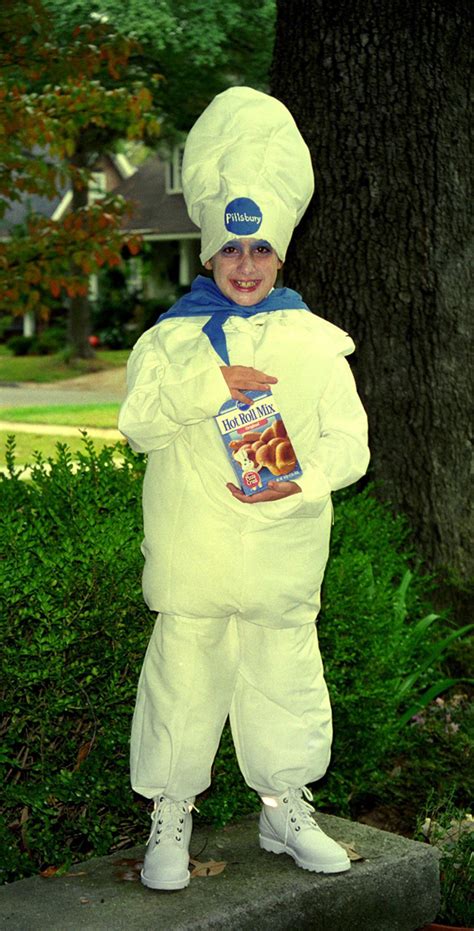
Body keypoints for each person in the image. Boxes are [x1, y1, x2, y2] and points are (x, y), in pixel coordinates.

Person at [118, 87, 370, 892]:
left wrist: (297, 490)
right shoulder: (168, 342)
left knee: (285, 681)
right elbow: (139, 424)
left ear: (281, 255)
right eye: (233, 251)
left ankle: (283, 805)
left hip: (281, 559)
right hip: (194, 560)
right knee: (181, 684)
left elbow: (349, 447)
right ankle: (169, 815)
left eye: (261, 250)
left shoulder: (315, 342)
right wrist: (212, 382)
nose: (248, 265)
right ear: (209, 255)